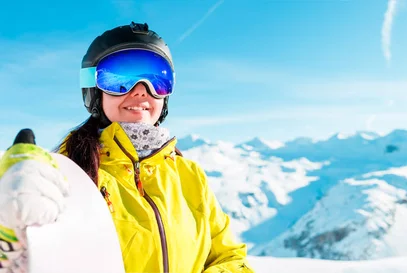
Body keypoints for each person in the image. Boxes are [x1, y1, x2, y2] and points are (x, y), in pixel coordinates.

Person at [0, 22, 255, 273]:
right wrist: (10, 226)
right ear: (93, 90)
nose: (142, 91)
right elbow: (30, 260)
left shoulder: (190, 176)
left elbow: (231, 257)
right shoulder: (65, 173)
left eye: (158, 79)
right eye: (120, 79)